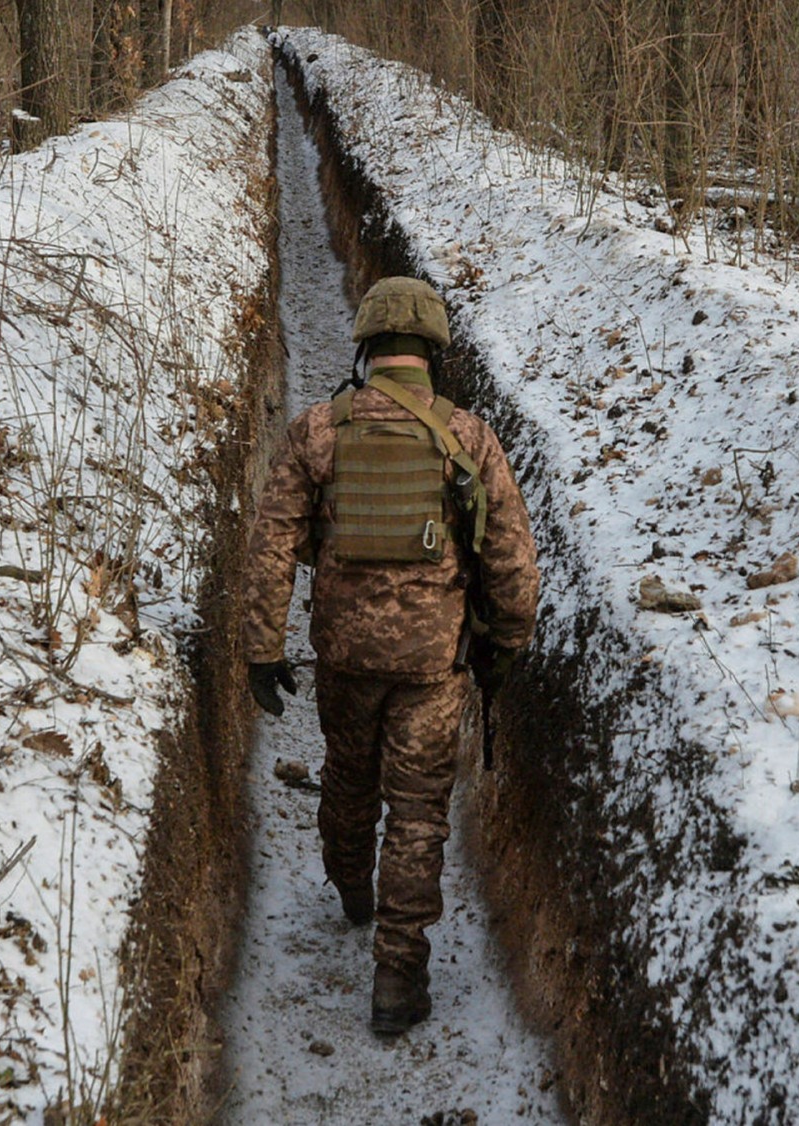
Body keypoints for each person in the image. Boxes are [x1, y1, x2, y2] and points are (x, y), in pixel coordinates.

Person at [241, 276, 542, 1035]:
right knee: (416, 812)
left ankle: (351, 888)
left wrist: (261, 650)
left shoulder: (317, 429)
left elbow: (271, 547)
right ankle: (397, 977)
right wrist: (506, 645)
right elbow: (511, 560)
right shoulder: (467, 438)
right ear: (432, 350)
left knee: (348, 777)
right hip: (431, 665)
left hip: (344, 657)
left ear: (367, 346)